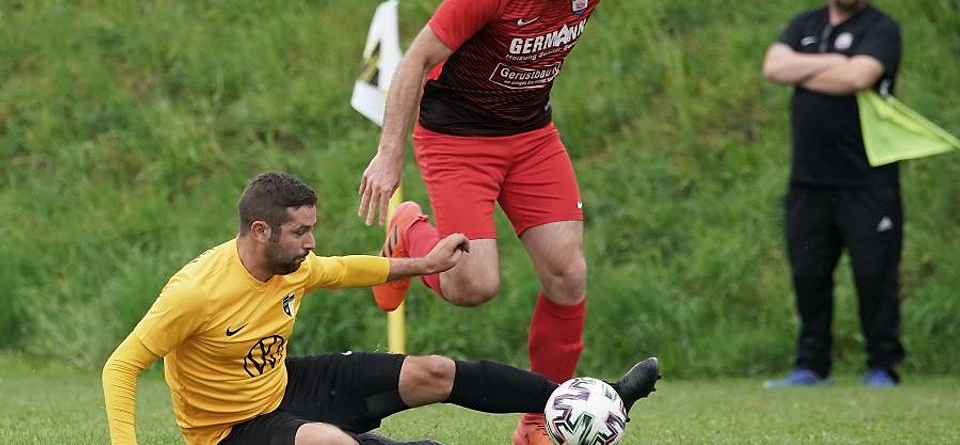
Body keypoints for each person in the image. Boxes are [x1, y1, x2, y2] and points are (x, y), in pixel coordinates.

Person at [356, 0, 801, 443]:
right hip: (458, 139)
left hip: (531, 136)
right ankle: (409, 230)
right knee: (474, 286)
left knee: (568, 275)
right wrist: (388, 153)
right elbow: (414, 60)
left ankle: (540, 418)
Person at [102, 171, 661, 445]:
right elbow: (121, 367)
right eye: (300, 232)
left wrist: (426, 264)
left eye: (312, 229)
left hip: (284, 387)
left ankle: (594, 401)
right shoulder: (195, 292)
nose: (311, 244)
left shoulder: (291, 265)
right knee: (333, 444)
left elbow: (348, 268)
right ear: (259, 230)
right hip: (228, 433)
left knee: (435, 371)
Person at [761, 0, 905, 388]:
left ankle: (882, 366)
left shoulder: (882, 28)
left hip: (868, 180)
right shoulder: (804, 23)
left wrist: (808, 69)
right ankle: (811, 366)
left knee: (874, 275)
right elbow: (773, 66)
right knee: (809, 275)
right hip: (809, 182)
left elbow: (860, 77)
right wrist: (834, 62)